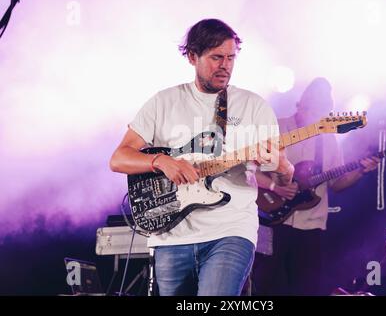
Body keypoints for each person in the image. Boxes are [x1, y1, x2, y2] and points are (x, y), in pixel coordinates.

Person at [109, 19, 294, 296]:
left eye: (231, 57)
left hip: (231, 229)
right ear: (193, 56)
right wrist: (161, 161)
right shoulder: (164, 102)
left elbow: (284, 176)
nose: (226, 65)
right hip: (171, 233)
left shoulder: (254, 107)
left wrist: (282, 166)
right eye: (217, 57)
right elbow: (119, 158)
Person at [252, 77, 380, 295]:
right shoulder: (276, 127)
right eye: (312, 106)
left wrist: (360, 170)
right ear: (302, 102)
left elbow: (337, 185)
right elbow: (248, 170)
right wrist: (276, 186)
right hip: (269, 219)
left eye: (321, 108)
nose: (314, 113)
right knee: (267, 287)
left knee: (308, 290)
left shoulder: (328, 139)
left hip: (310, 227)